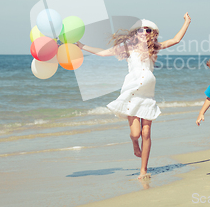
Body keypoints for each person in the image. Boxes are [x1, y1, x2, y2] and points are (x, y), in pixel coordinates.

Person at [76, 13, 191, 179]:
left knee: (147, 134)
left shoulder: (154, 48)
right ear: (134, 33)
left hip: (148, 96)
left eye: (148, 29)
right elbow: (103, 53)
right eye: (140, 30)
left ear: (152, 33)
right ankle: (133, 143)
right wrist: (82, 45)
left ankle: (143, 170)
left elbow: (175, 40)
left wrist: (186, 22)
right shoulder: (128, 48)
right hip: (131, 93)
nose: (144, 32)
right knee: (136, 134)